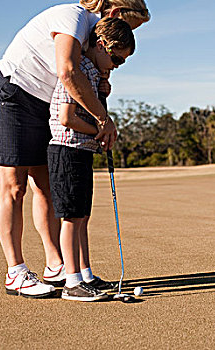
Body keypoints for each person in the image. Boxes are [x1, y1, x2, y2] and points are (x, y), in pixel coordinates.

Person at [0, 0, 149, 298]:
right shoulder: (73, 18)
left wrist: (103, 81)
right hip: (12, 94)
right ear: (114, 14)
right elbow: (66, 71)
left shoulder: (95, 40)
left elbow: (83, 76)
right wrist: (104, 121)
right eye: (129, 27)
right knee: (14, 187)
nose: (127, 34)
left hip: (43, 103)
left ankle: (56, 265)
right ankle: (16, 271)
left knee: (47, 187)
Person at [48, 17, 135, 301]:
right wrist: (101, 128)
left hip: (81, 150)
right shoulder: (81, 69)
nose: (116, 66)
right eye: (116, 59)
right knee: (71, 218)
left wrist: (104, 83)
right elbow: (67, 118)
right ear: (100, 45)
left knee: (82, 216)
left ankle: (85, 274)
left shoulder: (94, 73)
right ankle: (72, 282)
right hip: (66, 149)